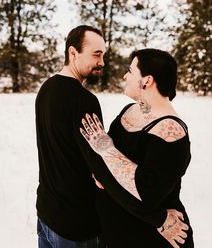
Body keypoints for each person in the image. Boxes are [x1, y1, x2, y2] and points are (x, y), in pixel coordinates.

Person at [35, 26, 188, 248]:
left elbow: (111, 167)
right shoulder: (83, 101)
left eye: (103, 55)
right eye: (96, 54)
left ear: (148, 81)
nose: (103, 62)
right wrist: (160, 219)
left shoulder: (46, 89)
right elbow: (102, 167)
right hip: (75, 227)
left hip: (49, 215)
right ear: (73, 53)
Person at [80, 48, 194, 247]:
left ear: (147, 81)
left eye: (130, 71)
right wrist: (104, 169)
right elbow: (102, 167)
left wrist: (107, 151)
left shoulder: (171, 131)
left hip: (151, 240)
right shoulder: (130, 110)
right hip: (117, 235)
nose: (125, 75)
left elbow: (144, 193)